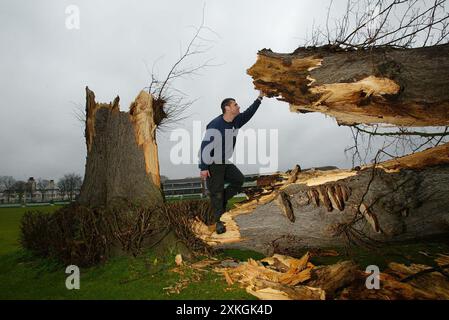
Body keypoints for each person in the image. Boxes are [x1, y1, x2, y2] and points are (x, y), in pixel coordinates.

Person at [199, 91, 264, 234]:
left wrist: (259, 98)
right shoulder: (215, 125)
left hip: (224, 161)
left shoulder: (236, 121)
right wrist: (203, 167)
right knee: (216, 193)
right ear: (227, 108)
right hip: (213, 163)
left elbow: (249, 113)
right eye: (235, 104)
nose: (238, 106)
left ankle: (222, 201)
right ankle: (219, 223)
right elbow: (204, 146)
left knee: (238, 180)